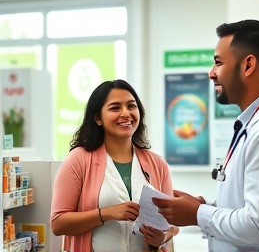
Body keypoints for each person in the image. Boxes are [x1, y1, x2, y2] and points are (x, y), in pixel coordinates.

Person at [153, 20, 259, 251]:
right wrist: (205, 207)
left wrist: (198, 214)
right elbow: (252, 211)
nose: (211, 73)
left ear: (248, 65)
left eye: (218, 63)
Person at [50, 79, 179, 252]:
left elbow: (171, 224)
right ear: (98, 118)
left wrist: (163, 237)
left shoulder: (157, 164)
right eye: (115, 108)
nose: (125, 113)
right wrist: (106, 213)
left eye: (131, 106)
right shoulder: (79, 159)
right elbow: (58, 223)